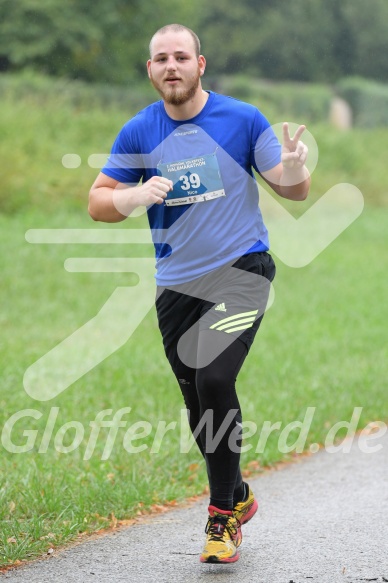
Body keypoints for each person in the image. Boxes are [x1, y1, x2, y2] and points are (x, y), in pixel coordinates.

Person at [88, 23, 310, 564]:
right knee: (197, 401)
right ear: (150, 70)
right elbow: (97, 201)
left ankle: (220, 519)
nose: (171, 66)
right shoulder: (139, 131)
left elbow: (291, 187)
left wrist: (297, 167)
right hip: (176, 287)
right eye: (161, 58)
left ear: (200, 64)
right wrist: (136, 194)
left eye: (181, 57)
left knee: (213, 375)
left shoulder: (241, 118)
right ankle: (237, 493)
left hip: (243, 273)